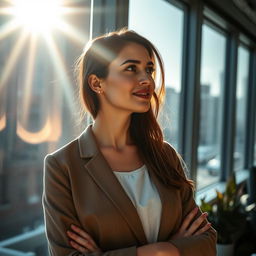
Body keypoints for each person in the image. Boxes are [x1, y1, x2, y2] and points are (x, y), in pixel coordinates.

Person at [42, 28, 217, 256]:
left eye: (149, 70)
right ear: (97, 83)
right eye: (131, 68)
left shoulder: (164, 155)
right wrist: (166, 250)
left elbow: (207, 242)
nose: (147, 80)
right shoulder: (62, 166)